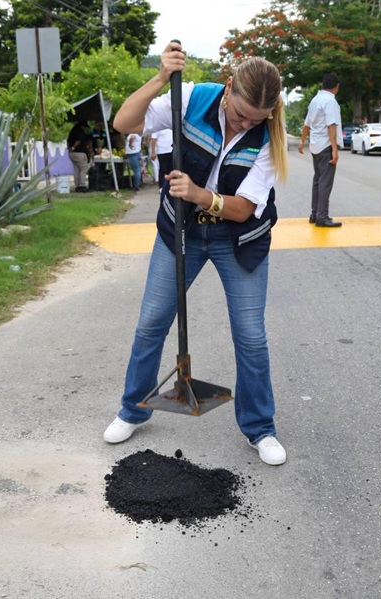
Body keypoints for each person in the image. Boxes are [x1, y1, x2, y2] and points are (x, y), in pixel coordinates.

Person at [104, 41, 290, 465]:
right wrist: (159, 78)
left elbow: (242, 209)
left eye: (256, 119)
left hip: (237, 240)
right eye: (240, 113)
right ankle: (133, 409)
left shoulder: (267, 137)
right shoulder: (189, 97)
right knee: (151, 322)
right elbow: (124, 123)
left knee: (251, 336)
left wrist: (202, 195)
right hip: (181, 233)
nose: (245, 124)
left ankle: (260, 428)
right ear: (228, 89)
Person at [297, 73, 342, 227]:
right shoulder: (330, 101)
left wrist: (302, 142)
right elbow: (331, 126)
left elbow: (307, 124)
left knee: (318, 180)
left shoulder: (315, 100)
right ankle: (322, 217)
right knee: (325, 182)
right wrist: (335, 151)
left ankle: (315, 214)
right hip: (326, 146)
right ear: (336, 87)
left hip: (315, 146)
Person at [67, 121, 93, 193]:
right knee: (83, 168)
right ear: (82, 126)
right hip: (79, 152)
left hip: (72, 154)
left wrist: (70, 149)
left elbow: (68, 141)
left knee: (76, 169)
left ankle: (77, 186)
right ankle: (82, 185)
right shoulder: (80, 131)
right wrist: (73, 147)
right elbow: (79, 140)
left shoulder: (72, 131)